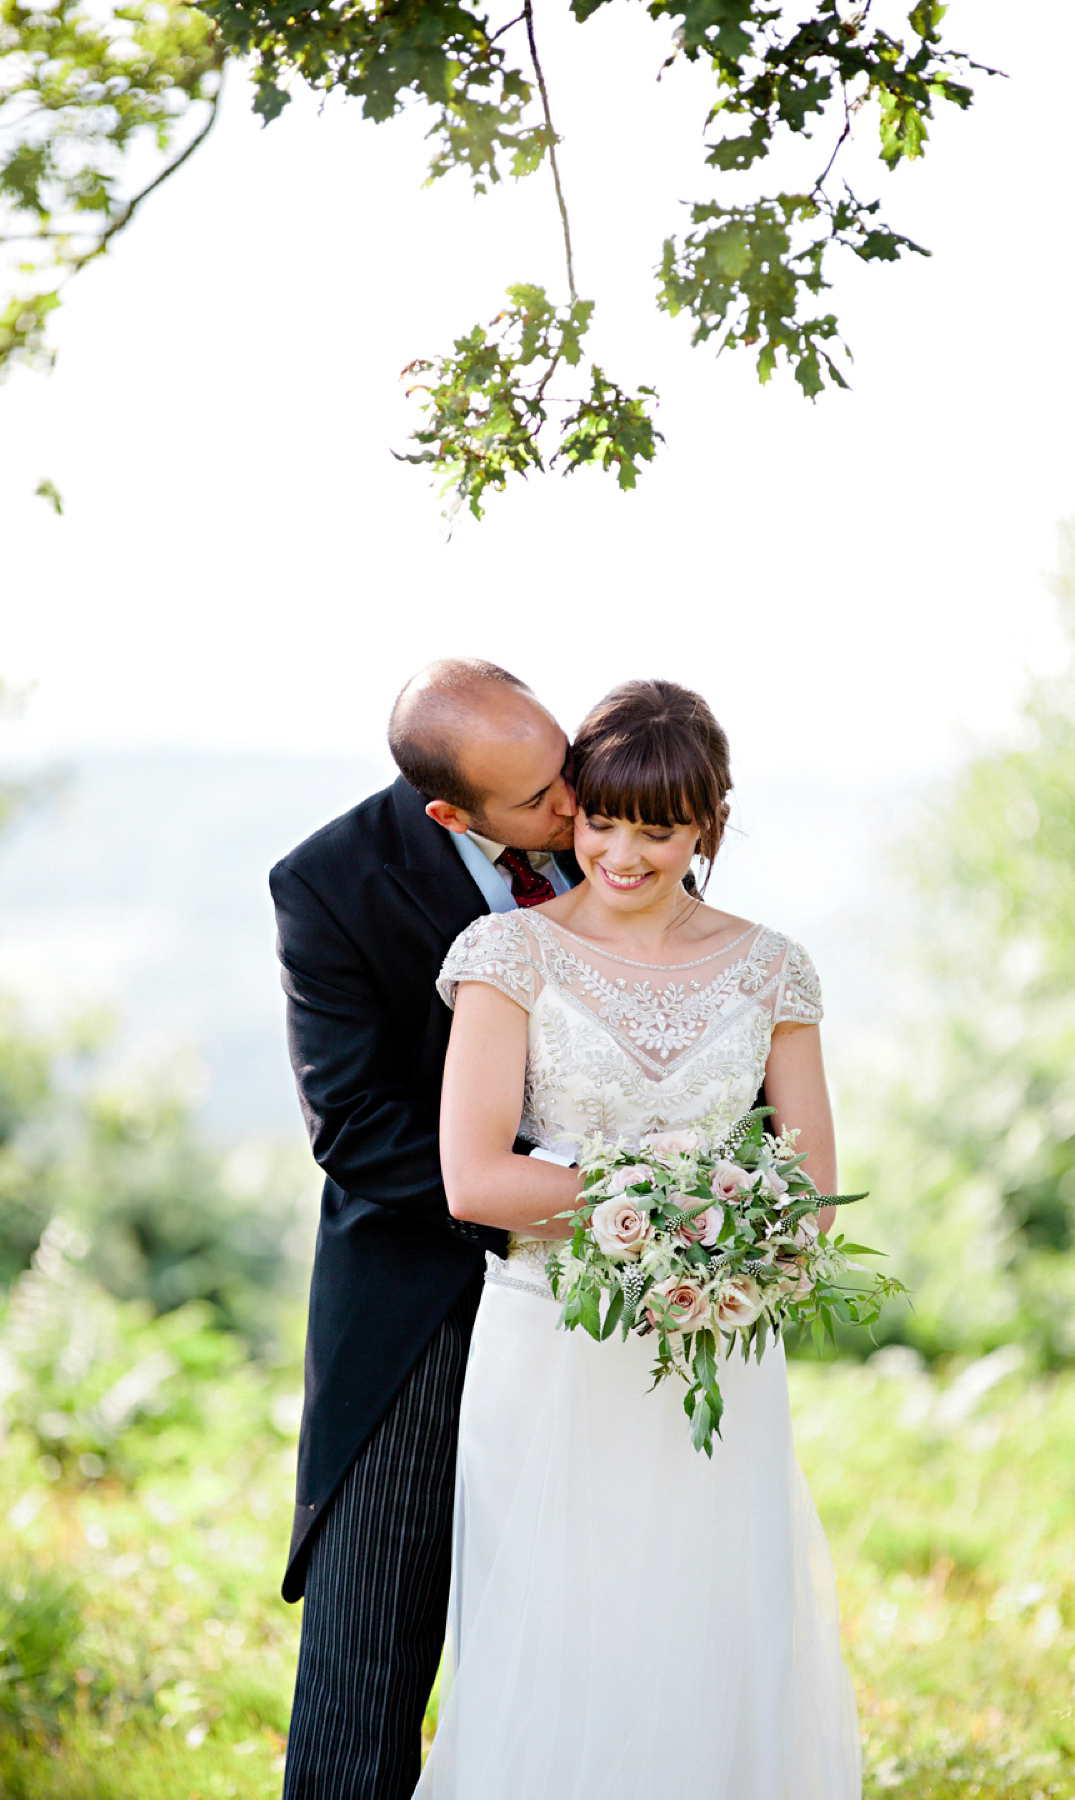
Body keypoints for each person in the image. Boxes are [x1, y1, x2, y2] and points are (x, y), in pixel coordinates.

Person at [416, 678, 862, 1800]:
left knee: (710, 1626)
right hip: (550, 1346)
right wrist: (657, 1199)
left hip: (711, 1351)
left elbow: (809, 1193)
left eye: (657, 830)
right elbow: (475, 1178)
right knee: (559, 1633)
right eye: (602, 819)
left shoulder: (774, 968)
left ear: (707, 823)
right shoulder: (506, 955)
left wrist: (724, 1242)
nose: (621, 852)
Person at [272, 658, 579, 1800]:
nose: (576, 805)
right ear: (451, 813)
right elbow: (351, 1126)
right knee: (370, 1649)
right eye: (541, 798)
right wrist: (538, 1196)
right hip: (416, 1300)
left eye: (566, 764)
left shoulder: (606, 807)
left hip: (611, 1303)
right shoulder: (328, 884)